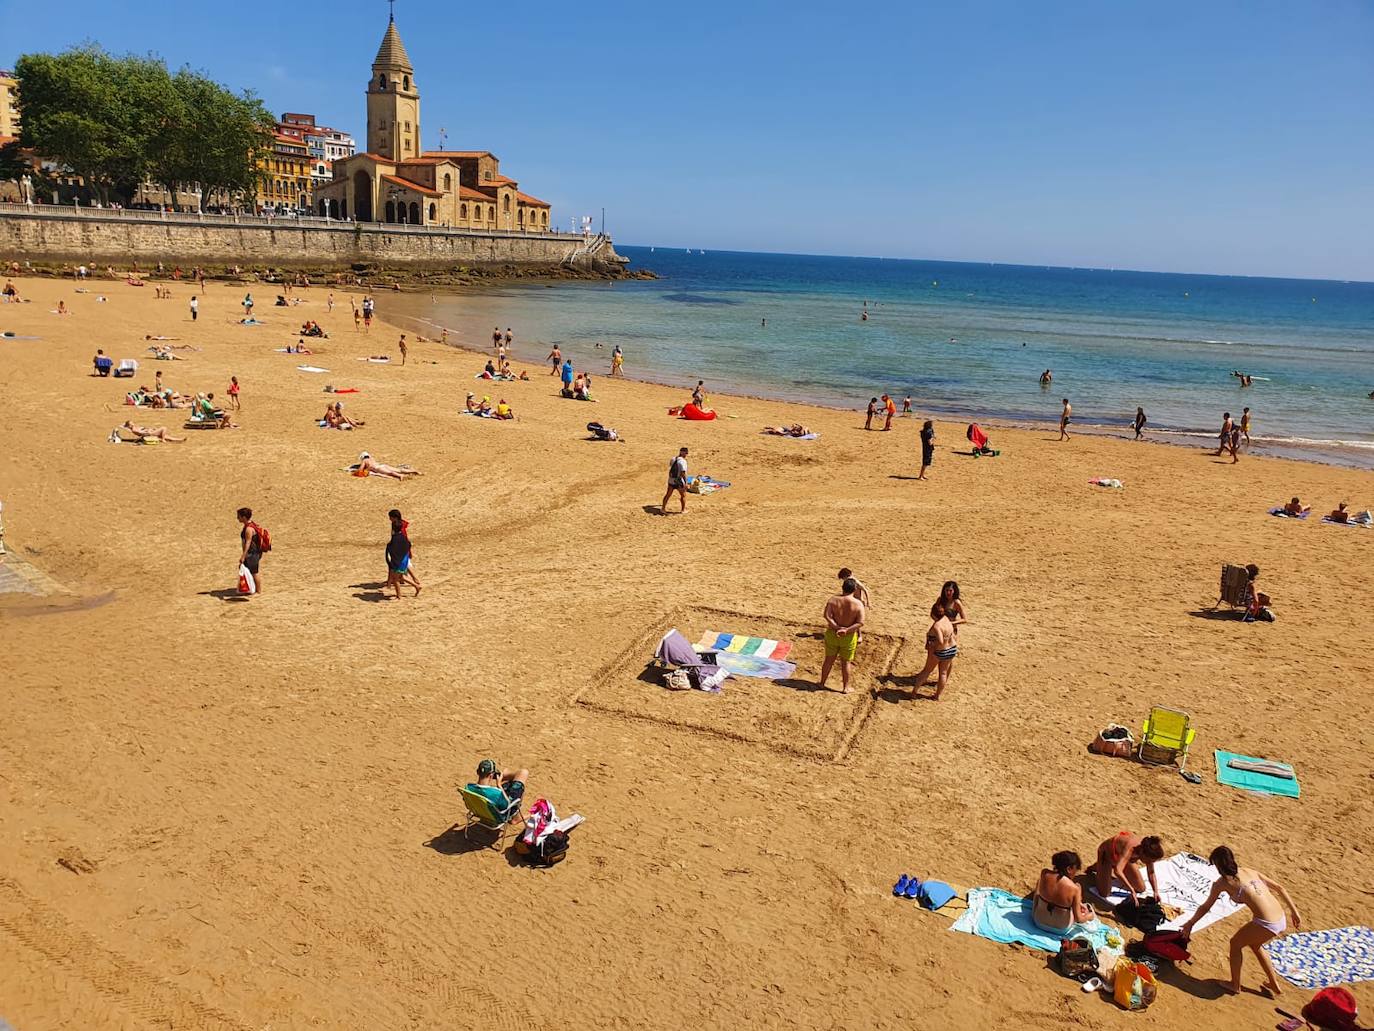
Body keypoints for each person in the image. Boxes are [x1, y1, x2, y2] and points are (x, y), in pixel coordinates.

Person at [1179, 846, 1300, 998]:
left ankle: (1235, 985)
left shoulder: (1222, 883)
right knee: (1255, 945)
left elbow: (1206, 906)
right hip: (1280, 918)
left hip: (1266, 923)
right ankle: (1274, 984)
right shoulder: (1249, 871)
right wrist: (1295, 913)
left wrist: (1191, 923)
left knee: (1235, 943)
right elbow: (1280, 888)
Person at [1088, 832, 1163, 904]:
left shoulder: (1148, 852)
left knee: (1141, 888)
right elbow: (1118, 871)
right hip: (1107, 855)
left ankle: (1110, 865)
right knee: (1105, 893)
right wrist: (1131, 890)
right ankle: (1099, 866)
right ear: (1143, 853)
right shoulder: (1130, 848)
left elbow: (1151, 872)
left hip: (1123, 859)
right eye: (1149, 860)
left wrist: (1155, 891)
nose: (1150, 863)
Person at [820, 578, 866, 693]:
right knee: (846, 663)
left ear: (843, 587)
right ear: (854, 589)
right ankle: (845, 687)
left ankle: (822, 682)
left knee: (828, 660)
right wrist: (846, 630)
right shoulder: (858, 604)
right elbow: (860, 622)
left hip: (832, 634)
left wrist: (836, 627)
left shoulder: (833, 600)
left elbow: (827, 616)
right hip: (848, 637)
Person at [1033, 851, 1094, 932]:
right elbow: (1079, 919)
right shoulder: (1075, 888)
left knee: (1039, 883)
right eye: (1075, 870)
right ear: (1069, 869)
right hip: (1060, 929)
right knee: (1078, 888)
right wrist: (1090, 916)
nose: (1075, 874)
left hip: (1038, 921)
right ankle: (1078, 903)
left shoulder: (1045, 873)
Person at [908, 602, 957, 699]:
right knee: (943, 673)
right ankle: (937, 696)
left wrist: (933, 646)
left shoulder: (937, 626)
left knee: (926, 671)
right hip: (952, 649)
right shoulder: (946, 619)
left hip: (941, 651)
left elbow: (941, 641)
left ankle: (914, 692)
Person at [385, 510, 420, 599]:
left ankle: (399, 595)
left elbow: (391, 551)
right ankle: (416, 585)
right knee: (400, 576)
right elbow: (407, 543)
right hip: (403, 555)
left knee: (396, 578)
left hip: (398, 558)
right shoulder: (401, 531)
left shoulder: (396, 536)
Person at [237, 507, 264, 596]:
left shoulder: (248, 529)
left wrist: (243, 556)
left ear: (244, 517)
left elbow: (248, 543)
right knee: (249, 570)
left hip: (252, 553)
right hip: (253, 553)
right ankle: (251, 588)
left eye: (239, 516)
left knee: (254, 572)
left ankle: (258, 591)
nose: (238, 518)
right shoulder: (251, 525)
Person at [661, 447, 690, 514]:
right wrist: (686, 483)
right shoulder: (683, 461)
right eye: (686, 453)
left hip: (671, 480)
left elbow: (671, 467)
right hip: (679, 481)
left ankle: (663, 508)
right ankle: (683, 510)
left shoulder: (673, 458)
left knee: (668, 494)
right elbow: (683, 473)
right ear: (685, 453)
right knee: (683, 495)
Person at [121, 421, 185, 442]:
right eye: (131, 423)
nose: (133, 423)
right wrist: (148, 430)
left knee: (167, 436)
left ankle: (179, 440)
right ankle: (162, 439)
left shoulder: (135, 428)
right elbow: (142, 433)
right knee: (163, 428)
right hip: (149, 434)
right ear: (129, 426)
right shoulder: (134, 430)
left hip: (149, 432)